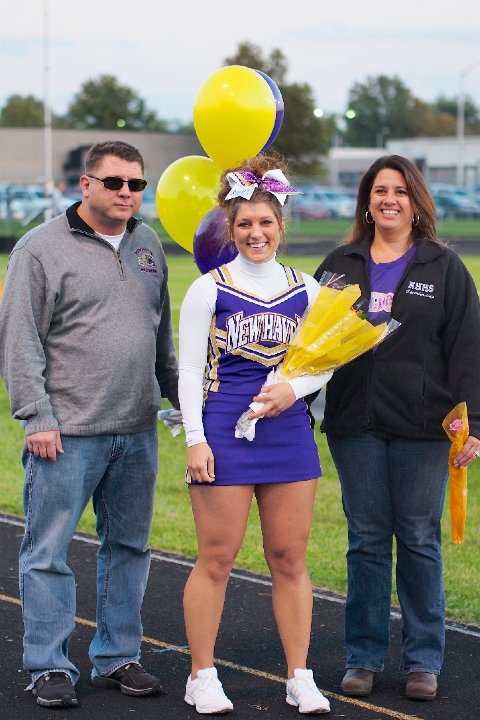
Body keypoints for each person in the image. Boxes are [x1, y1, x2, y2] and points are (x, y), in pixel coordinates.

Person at [0, 140, 179, 708]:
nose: (126, 192)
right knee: (48, 551)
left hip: (137, 428)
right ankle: (48, 665)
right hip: (66, 433)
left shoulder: (148, 245)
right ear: (86, 184)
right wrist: (37, 416)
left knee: (128, 547)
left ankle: (117, 656)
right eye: (114, 182)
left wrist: (181, 397)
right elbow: (19, 340)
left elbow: (161, 336)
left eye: (136, 184)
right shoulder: (39, 249)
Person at [312, 155, 480, 702]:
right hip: (354, 425)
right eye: (381, 190)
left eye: (401, 191)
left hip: (422, 428)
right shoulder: (340, 263)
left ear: (416, 202)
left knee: (418, 539)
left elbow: (467, 348)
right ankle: (362, 657)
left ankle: (422, 661)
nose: (390, 199)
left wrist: (474, 421)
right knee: (365, 540)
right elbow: (309, 343)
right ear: (367, 200)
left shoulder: (443, 266)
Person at [178, 154, 332, 715]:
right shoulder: (208, 289)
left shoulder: (306, 289)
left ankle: (299, 676)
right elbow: (188, 371)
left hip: (288, 432)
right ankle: (201, 675)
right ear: (230, 227)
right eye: (244, 223)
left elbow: (325, 360)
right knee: (217, 557)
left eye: (265, 222)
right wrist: (195, 438)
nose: (255, 232)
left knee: (289, 557)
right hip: (223, 433)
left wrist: (295, 389)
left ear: (281, 225)